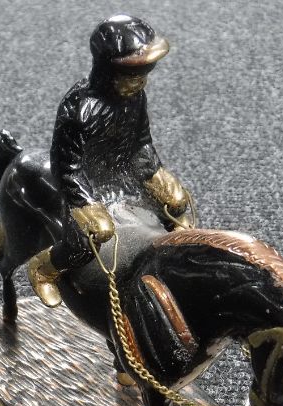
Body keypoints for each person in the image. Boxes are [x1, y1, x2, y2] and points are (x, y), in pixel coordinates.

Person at [27, 15, 192, 307]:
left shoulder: (136, 97)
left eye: (143, 75)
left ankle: (175, 262)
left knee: (177, 205)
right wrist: (85, 203)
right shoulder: (80, 110)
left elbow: (141, 143)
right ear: (109, 71)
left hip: (124, 174)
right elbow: (67, 165)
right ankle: (45, 269)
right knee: (90, 239)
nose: (139, 82)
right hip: (86, 184)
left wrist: (156, 174)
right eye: (132, 76)